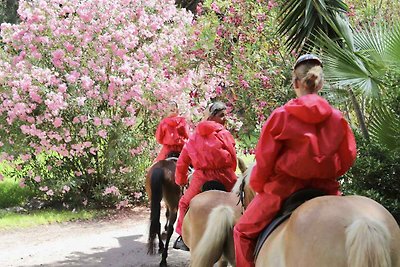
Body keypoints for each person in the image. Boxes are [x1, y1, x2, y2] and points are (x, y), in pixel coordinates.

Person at [233, 54, 357, 267]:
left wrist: (259, 186)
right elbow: (348, 157)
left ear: (296, 83)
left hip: (283, 191)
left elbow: (264, 162)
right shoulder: (337, 118)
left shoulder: (281, 116)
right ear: (321, 82)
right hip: (326, 189)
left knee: (241, 233)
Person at [173, 101, 238, 250]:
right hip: (226, 176)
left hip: (201, 178)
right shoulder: (224, 134)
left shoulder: (194, 136)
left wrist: (181, 180)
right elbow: (233, 157)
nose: (225, 119)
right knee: (241, 200)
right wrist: (230, 170)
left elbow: (182, 162)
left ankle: (183, 236)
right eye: (222, 115)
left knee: (184, 203)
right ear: (213, 117)